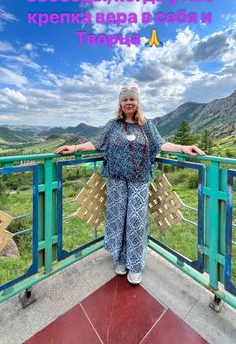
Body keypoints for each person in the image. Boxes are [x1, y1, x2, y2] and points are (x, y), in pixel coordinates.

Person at [55, 86, 205, 285]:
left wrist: (182, 148)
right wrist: (74, 148)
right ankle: (120, 258)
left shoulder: (147, 126)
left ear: (137, 102)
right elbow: (95, 143)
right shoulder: (112, 125)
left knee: (135, 221)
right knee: (117, 219)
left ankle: (135, 263)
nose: (128, 103)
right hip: (116, 179)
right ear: (120, 103)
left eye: (132, 99)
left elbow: (160, 144)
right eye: (125, 100)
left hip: (139, 180)